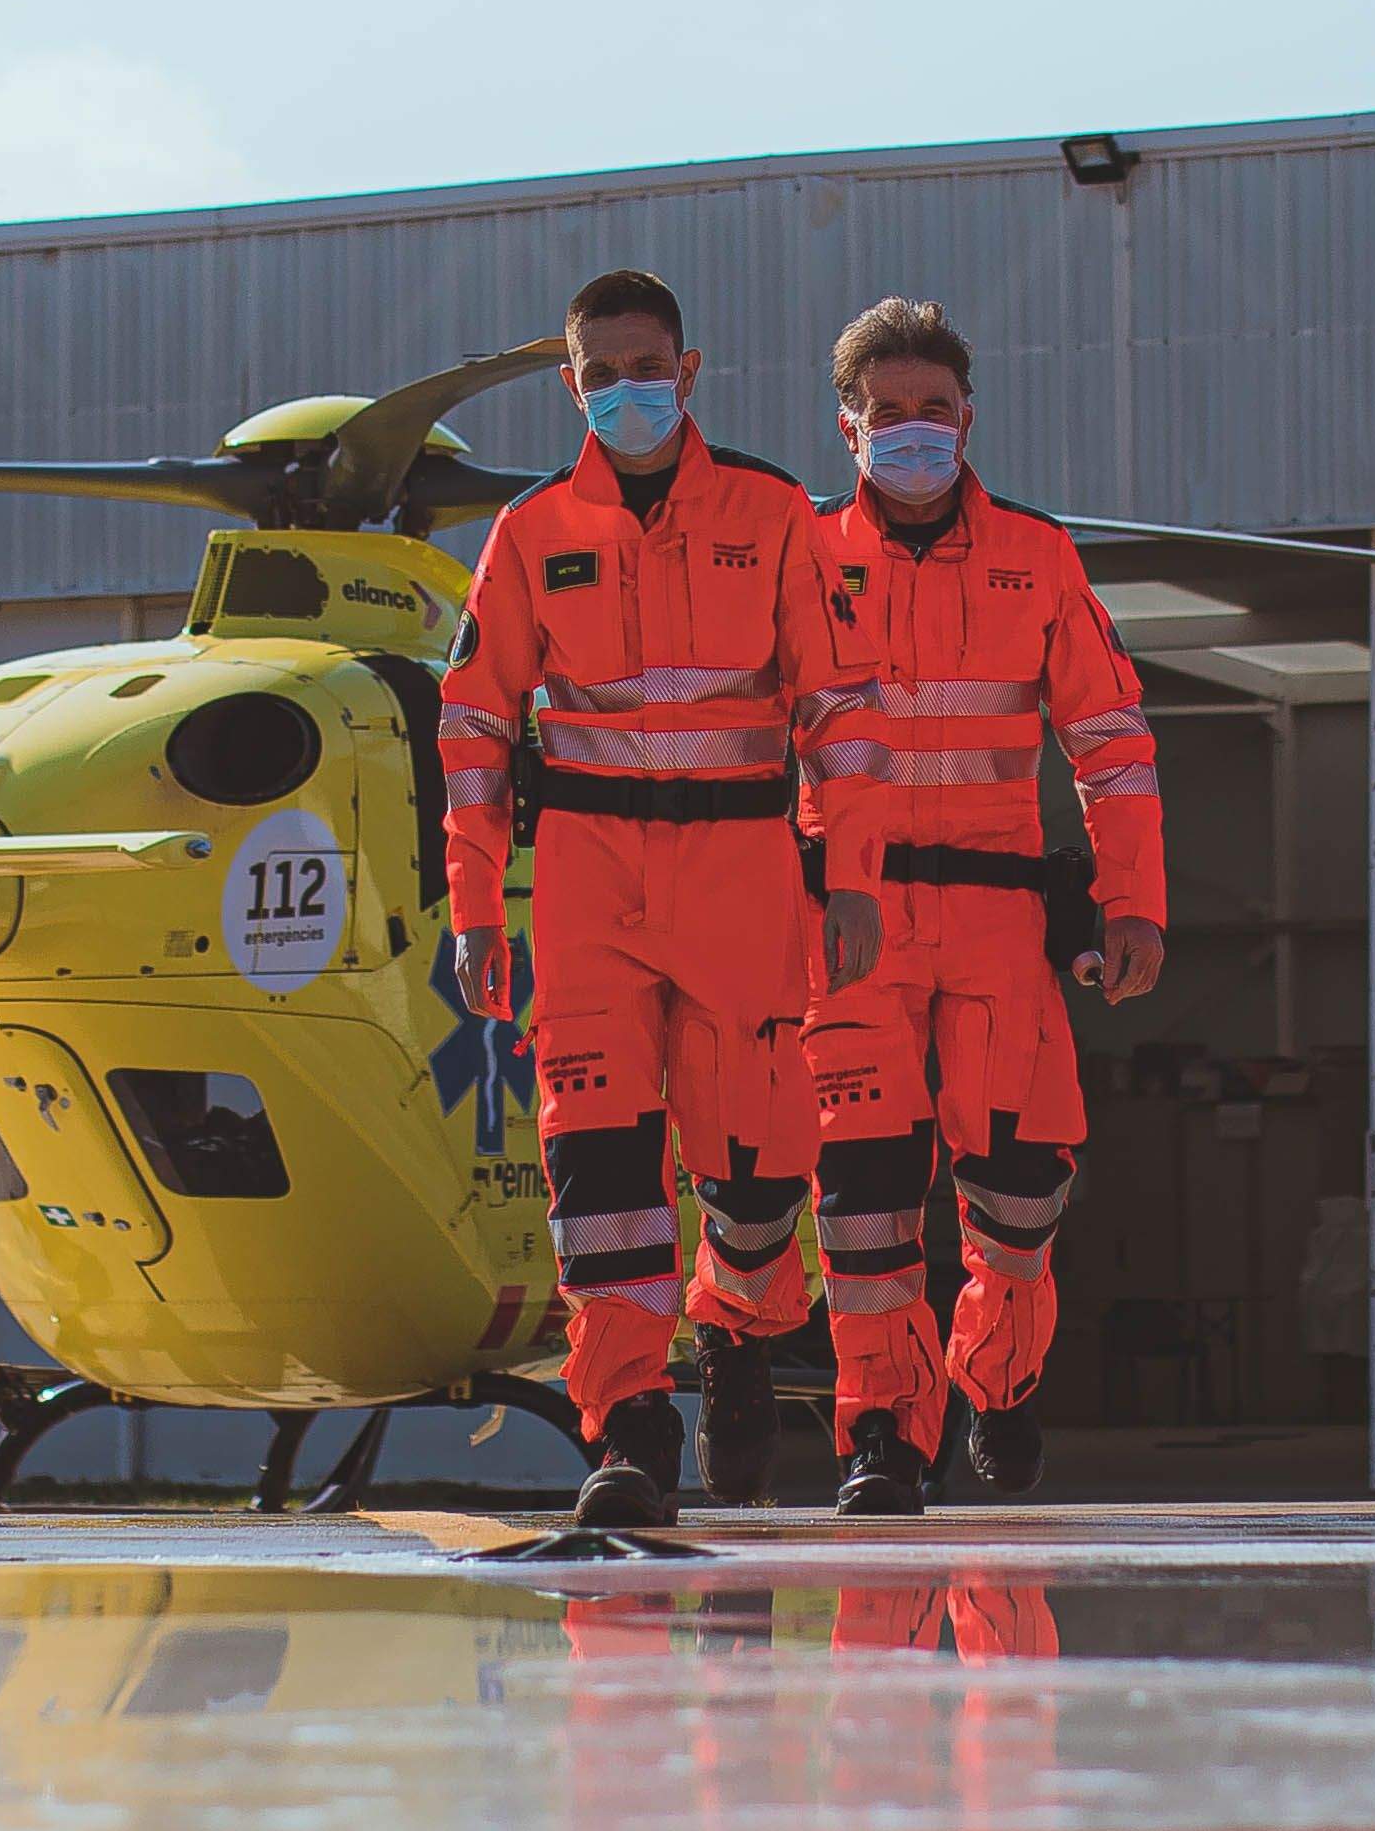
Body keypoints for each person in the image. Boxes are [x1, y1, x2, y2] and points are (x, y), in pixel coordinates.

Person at [439, 269, 860, 1529]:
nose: (626, 388)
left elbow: (834, 713)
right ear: (574, 384)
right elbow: (471, 726)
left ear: (689, 371)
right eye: (600, 371)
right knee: (599, 1161)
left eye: (646, 366)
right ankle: (627, 1423)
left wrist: (848, 872)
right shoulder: (528, 534)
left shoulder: (774, 511)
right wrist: (473, 902)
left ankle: (737, 1336)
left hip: (741, 874)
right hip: (588, 879)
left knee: (757, 1167)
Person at [796, 299, 1167, 1516]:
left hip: (1005, 927)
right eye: (888, 412)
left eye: (934, 410)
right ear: (848, 426)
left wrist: (1133, 904)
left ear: (970, 418)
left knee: (1019, 1199)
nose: (914, 431)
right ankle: (884, 1441)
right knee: (865, 1205)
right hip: (852, 929)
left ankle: (997, 1387)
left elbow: (1110, 745)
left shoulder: (1039, 557)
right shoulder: (802, 560)